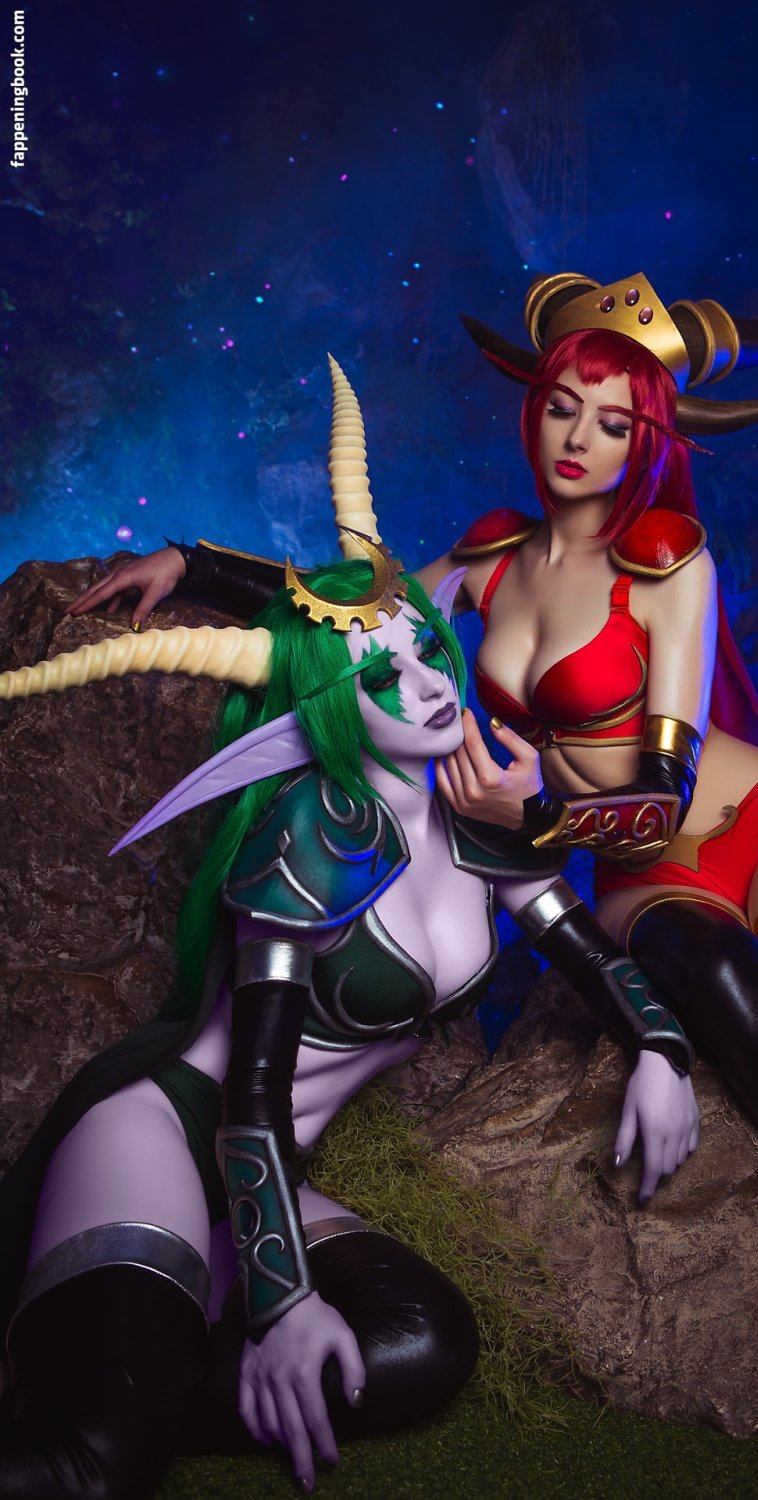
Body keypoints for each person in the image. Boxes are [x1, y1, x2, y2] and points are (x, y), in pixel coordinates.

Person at [67, 288, 758, 1333]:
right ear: (534, 410)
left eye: (613, 423)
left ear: (647, 442)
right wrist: (194, 562)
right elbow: (353, 622)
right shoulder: (490, 557)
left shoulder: (670, 563)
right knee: (729, 998)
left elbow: (667, 797)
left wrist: (539, 821)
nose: (578, 439)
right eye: (562, 407)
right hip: (646, 880)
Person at [0, 359, 701, 1500]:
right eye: (382, 674)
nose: (427, 682)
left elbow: (590, 953)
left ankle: (137, 1373)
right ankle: (119, 1395)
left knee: (425, 1344)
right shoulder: (312, 834)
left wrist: (662, 1051)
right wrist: (282, 1305)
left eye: (426, 647)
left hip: (269, 1177)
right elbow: (251, 1094)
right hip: (175, 1136)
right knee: (94, 1468)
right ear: (332, 703)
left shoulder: (478, 810)